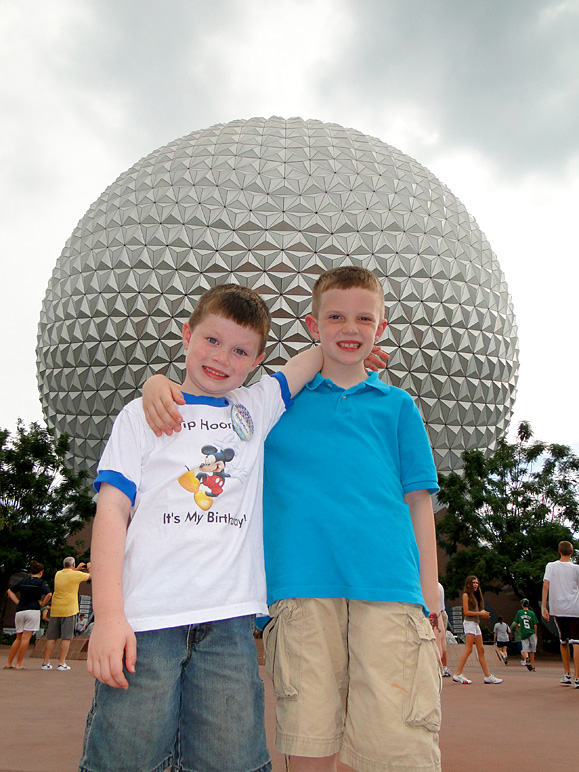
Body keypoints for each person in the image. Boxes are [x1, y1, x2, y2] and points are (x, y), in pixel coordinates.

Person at [143, 266, 444, 772]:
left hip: (390, 587)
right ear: (312, 325)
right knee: (307, 734)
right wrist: (158, 381)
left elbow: (419, 503)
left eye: (363, 319)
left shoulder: (398, 407)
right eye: (335, 318)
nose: (349, 328)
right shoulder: (272, 411)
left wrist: (430, 597)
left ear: (381, 329)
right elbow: (210, 408)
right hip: (300, 590)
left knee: (398, 744)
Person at [79, 284, 326, 772]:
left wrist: (347, 338)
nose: (222, 358)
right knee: (125, 757)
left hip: (229, 625)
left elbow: (306, 363)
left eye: (240, 350)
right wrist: (108, 616)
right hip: (144, 623)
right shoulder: (143, 414)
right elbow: (111, 513)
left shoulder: (254, 410)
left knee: (230, 759)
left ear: (256, 362)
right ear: (187, 334)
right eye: (211, 341)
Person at [41, 557, 90, 671]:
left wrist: (77, 569)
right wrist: (89, 567)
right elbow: (91, 576)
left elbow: (70, 575)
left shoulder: (58, 574)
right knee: (66, 638)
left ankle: (45, 662)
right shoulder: (75, 575)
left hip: (56, 609)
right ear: (73, 565)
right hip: (69, 610)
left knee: (51, 637)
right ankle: (61, 663)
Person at [542, 540, 579, 687]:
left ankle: (566, 673)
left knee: (563, 641)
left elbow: (546, 585)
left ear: (559, 551)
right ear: (571, 552)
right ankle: (577, 677)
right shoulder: (577, 568)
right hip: (575, 609)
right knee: (576, 642)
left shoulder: (551, 566)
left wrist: (544, 606)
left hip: (558, 608)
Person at [453, 576, 503, 685]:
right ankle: (457, 674)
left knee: (481, 650)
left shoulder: (476, 597)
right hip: (469, 624)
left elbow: (477, 611)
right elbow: (466, 612)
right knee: (469, 649)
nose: (476, 584)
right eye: (473, 582)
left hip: (475, 624)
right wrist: (480, 613)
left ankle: (487, 676)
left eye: (477, 583)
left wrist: (483, 614)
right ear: (468, 584)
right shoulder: (466, 595)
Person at [4, 560, 52, 669]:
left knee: (18, 638)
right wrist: (43, 604)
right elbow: (49, 594)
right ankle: (18, 663)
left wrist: (17, 601)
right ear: (40, 572)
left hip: (20, 610)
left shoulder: (23, 580)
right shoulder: (41, 582)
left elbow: (10, 591)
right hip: (33, 610)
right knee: (26, 638)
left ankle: (9, 662)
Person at [512, 599, 539, 671]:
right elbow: (535, 624)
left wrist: (520, 627)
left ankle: (527, 658)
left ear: (522, 605)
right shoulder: (532, 613)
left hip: (524, 633)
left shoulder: (519, 612)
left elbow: (516, 623)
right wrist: (535, 633)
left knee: (525, 649)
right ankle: (533, 665)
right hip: (532, 632)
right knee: (533, 650)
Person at [439, 581, 452, 677]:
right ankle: (443, 667)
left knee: (440, 641)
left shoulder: (434, 586)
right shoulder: (439, 585)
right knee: (441, 641)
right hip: (440, 613)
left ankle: (443, 667)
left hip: (437, 613)